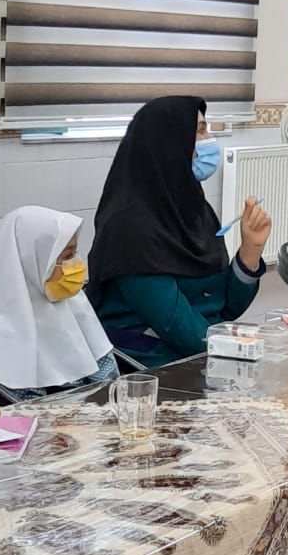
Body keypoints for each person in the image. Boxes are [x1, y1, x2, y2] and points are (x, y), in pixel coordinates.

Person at [86, 96, 272, 367]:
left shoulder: (192, 208)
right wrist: (242, 350)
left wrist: (250, 251)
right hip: (150, 363)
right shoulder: (128, 227)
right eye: (200, 131)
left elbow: (226, 308)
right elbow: (177, 327)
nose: (209, 140)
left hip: (198, 350)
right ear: (169, 143)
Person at [0, 206, 118, 403]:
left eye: (75, 253)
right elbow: (23, 408)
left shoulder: (74, 305)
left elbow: (109, 376)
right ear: (33, 261)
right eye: (67, 256)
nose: (76, 264)